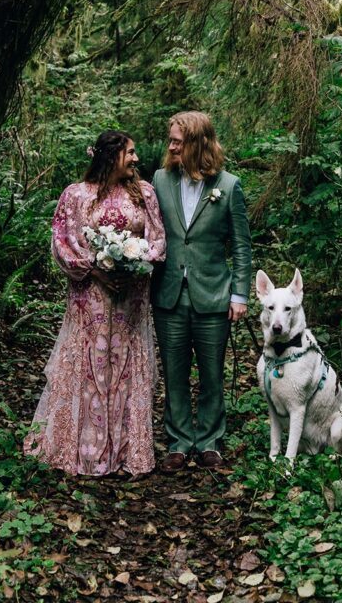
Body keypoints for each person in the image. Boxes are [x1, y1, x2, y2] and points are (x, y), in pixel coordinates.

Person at [24, 130, 166, 477]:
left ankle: (125, 455)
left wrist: (135, 266)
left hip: (130, 298)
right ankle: (84, 453)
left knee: (125, 366)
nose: (135, 159)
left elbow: (158, 239)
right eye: (129, 153)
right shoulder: (76, 195)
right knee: (92, 363)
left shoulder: (144, 193)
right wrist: (97, 269)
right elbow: (63, 239)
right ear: (110, 156)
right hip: (91, 298)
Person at [151, 111, 252, 471]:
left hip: (213, 295)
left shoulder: (229, 185)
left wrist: (240, 295)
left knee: (212, 374)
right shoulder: (160, 180)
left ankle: (209, 440)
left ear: (199, 143)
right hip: (169, 296)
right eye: (172, 139)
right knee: (174, 372)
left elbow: (241, 246)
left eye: (179, 140)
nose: (172, 146)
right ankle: (179, 441)